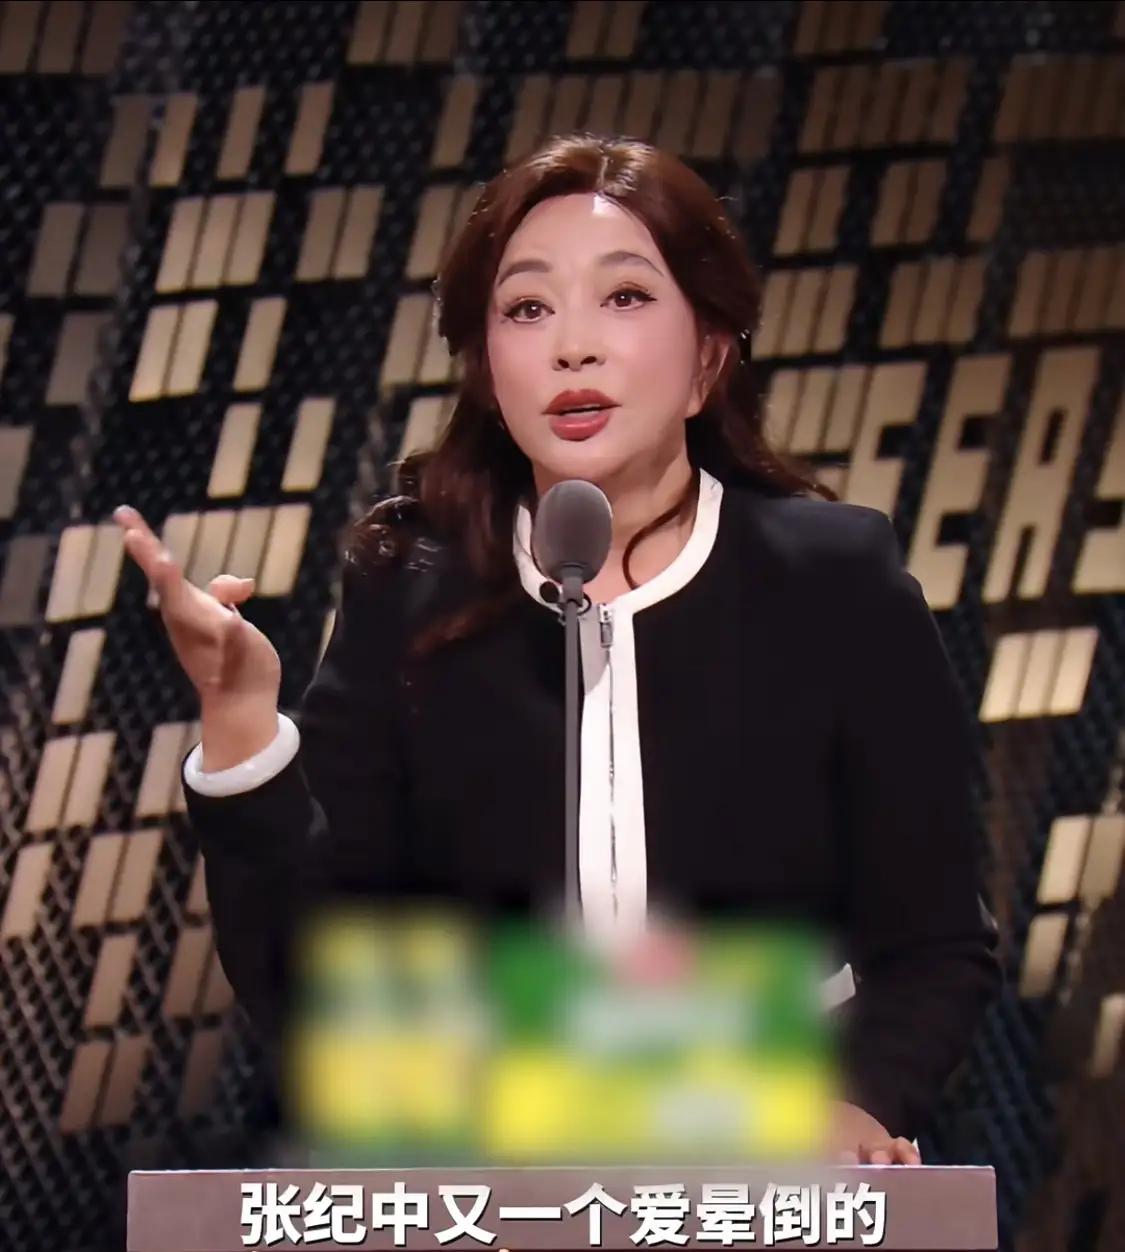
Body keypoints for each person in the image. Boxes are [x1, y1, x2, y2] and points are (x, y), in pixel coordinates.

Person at [113, 132, 1000, 1167]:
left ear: (709, 356)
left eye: (624, 296)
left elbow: (937, 942)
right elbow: (315, 989)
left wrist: (856, 1101)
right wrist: (239, 729)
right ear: (488, 370)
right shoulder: (410, 594)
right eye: (528, 308)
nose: (572, 346)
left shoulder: (832, 584)